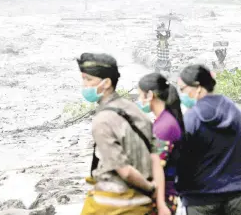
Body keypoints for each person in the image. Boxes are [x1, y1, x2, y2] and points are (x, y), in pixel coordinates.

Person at [77, 52, 168, 215]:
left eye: (89, 80)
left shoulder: (102, 120)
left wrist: (150, 188)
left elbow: (124, 170)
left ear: (106, 83)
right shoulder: (133, 109)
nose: (84, 85)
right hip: (143, 205)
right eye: (83, 79)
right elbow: (156, 157)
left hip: (112, 204)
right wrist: (159, 199)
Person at [177, 64, 241, 215]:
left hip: (201, 199)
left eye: (183, 89)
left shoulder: (191, 119)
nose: (181, 94)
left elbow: (180, 159)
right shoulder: (235, 111)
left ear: (197, 87)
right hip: (236, 196)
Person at [136, 73, 185, 215]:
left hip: (163, 195)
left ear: (150, 95)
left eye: (140, 95)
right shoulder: (164, 121)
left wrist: (160, 204)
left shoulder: (165, 126)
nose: (139, 100)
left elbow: (157, 166)